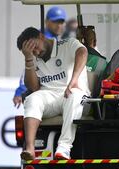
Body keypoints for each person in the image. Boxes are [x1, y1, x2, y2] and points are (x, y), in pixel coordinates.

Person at [17, 27, 89, 161]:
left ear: (41, 37)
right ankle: (30, 148)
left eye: (36, 46)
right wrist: (28, 58)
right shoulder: (33, 60)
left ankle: (64, 148)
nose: (36, 52)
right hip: (51, 97)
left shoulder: (67, 44)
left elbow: (83, 52)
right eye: (31, 51)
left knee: (73, 94)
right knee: (32, 98)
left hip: (76, 94)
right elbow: (33, 87)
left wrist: (73, 80)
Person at [13, 6, 67, 108]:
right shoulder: (44, 42)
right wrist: (20, 91)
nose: (59, 25)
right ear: (46, 21)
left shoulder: (56, 39)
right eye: (55, 22)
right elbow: (30, 66)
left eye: (61, 22)